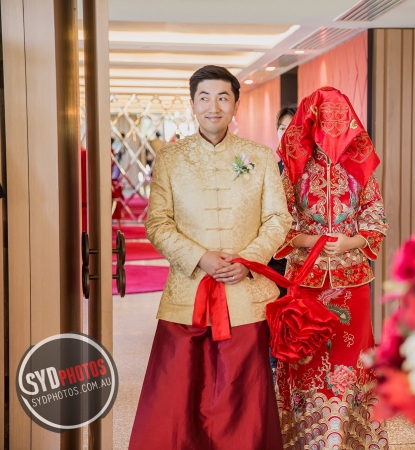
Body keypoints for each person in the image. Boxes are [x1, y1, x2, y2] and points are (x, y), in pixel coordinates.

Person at [129, 65, 292, 450]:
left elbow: (278, 219)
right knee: (177, 396)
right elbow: (158, 223)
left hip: (245, 296)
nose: (213, 107)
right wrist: (200, 257)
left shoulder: (260, 157)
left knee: (242, 397)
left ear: (236, 104)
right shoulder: (170, 159)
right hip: (187, 295)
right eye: (204, 98)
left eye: (222, 97)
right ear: (192, 104)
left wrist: (248, 260)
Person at [274, 87, 389, 449]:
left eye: (339, 120)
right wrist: (314, 240)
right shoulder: (294, 171)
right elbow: (278, 225)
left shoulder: (361, 169)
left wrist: (351, 242)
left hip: (351, 281)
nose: (332, 128)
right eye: (325, 120)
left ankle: (345, 440)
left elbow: (376, 219)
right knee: (305, 363)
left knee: (350, 365)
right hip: (305, 282)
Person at [268, 104, 298, 383]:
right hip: (274, 254)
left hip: (304, 255)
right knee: (274, 312)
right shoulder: (269, 169)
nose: (287, 133)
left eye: (293, 127)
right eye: (281, 128)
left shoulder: (314, 172)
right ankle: (274, 365)